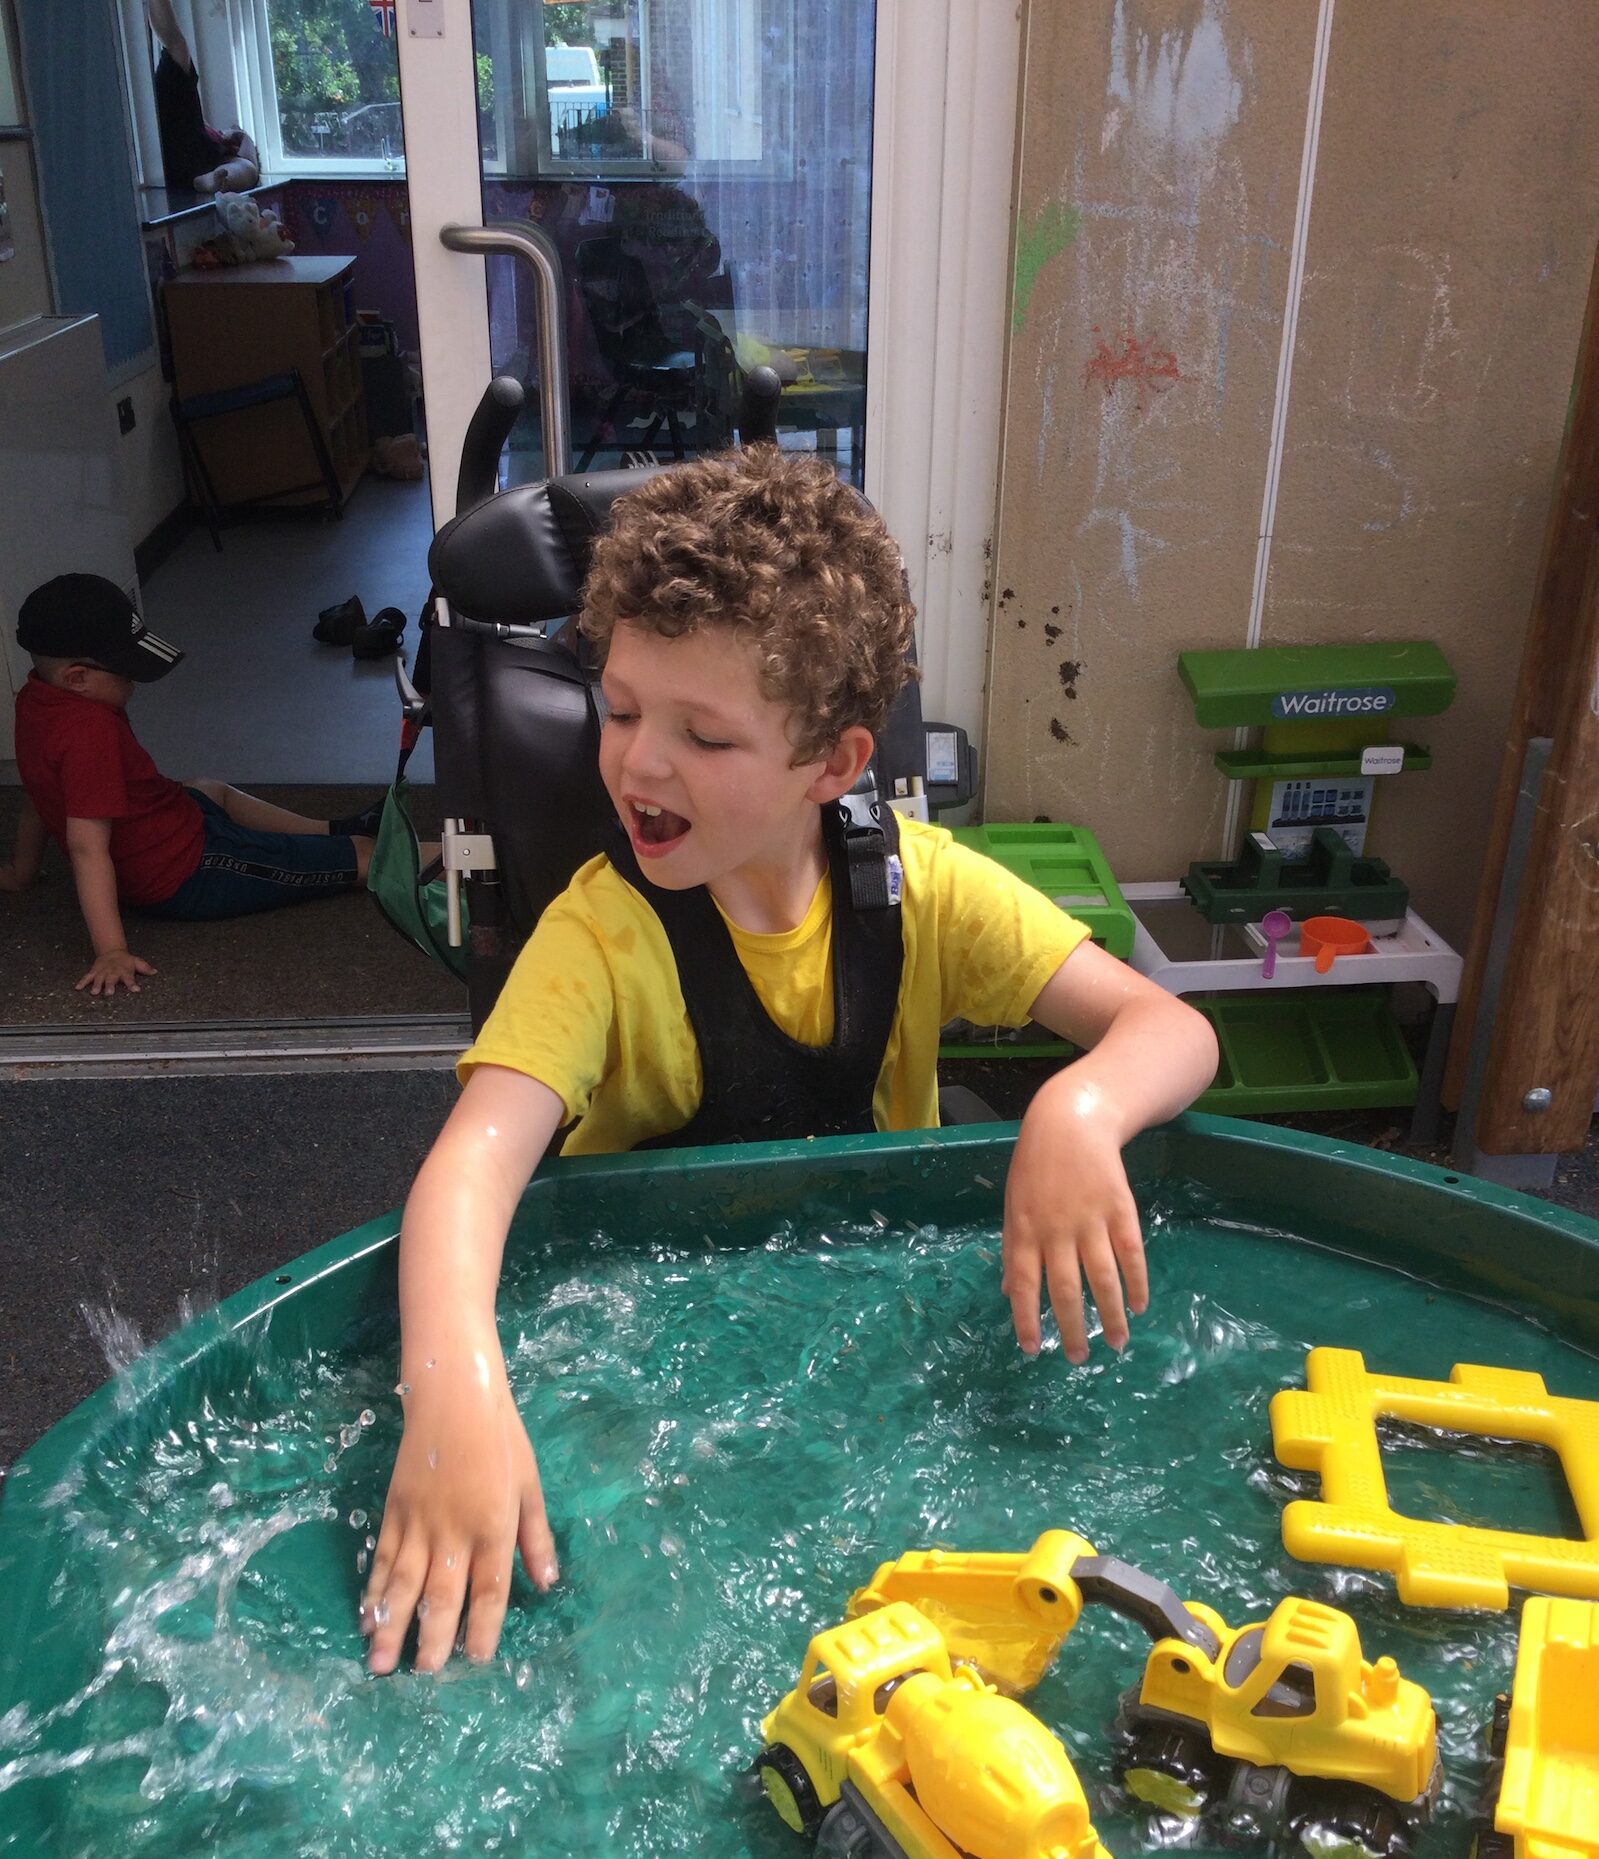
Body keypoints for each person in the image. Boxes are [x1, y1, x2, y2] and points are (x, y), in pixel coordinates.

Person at [362, 447, 1218, 1677]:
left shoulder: (919, 893)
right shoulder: (598, 938)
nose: (638, 763)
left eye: (703, 735)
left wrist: (1076, 1112)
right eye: (617, 709)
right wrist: (452, 1391)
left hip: (856, 1355)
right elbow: (465, 1174)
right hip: (649, 1383)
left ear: (835, 763)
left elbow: (1175, 1029)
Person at [2, 574, 383, 995]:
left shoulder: (35, 700)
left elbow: (38, 796)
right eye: (129, 673)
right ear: (77, 677)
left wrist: (23, 873)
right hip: (189, 872)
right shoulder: (89, 732)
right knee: (364, 859)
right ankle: (456, 860)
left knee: (209, 786)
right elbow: (85, 847)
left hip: (173, 817)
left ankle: (332, 829)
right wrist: (111, 950)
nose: (136, 684)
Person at [146, 0, 260, 196]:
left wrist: (242, 137)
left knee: (178, 47)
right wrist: (237, 136)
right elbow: (248, 161)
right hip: (185, 151)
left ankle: (209, 181)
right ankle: (208, 181)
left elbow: (247, 154)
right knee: (247, 168)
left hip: (184, 152)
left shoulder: (224, 149)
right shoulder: (218, 145)